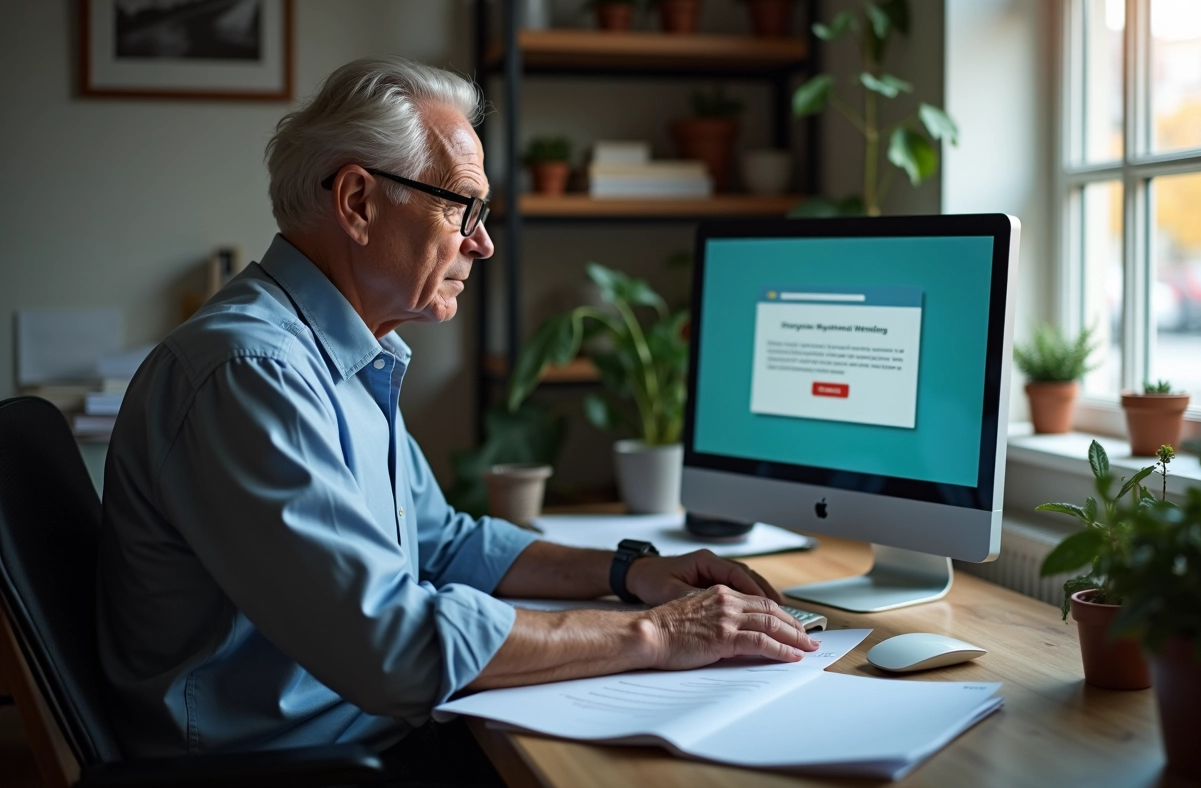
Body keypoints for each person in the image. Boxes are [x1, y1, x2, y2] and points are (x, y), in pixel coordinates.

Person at [97, 56, 816, 782]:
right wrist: (655, 635)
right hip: (299, 767)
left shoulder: (342, 352)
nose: (483, 241)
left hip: (365, 740)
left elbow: (441, 543)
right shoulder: (252, 374)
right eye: (462, 207)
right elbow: (396, 650)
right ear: (358, 201)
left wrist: (631, 573)